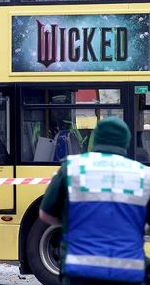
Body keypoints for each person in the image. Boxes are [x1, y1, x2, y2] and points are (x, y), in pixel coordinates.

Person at [39, 117, 150, 285]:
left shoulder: (72, 168)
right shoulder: (144, 175)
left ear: (96, 138)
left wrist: (71, 222)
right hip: (128, 272)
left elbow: (45, 214)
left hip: (79, 271)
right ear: (126, 141)